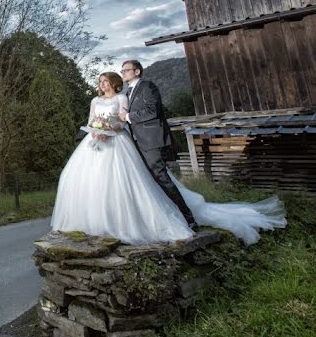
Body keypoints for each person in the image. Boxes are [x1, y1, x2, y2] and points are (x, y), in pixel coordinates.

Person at [51, 70, 286, 246]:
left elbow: (123, 121)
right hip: (95, 141)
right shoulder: (95, 101)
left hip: (116, 141)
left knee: (123, 183)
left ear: (113, 83)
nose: (102, 85)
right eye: (100, 82)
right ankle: (92, 222)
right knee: (86, 180)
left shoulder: (122, 99)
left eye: (105, 81)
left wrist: (111, 129)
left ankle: (126, 222)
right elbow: (92, 119)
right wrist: (95, 130)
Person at [118, 59, 197, 228]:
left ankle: (188, 218)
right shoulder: (127, 93)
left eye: (126, 70)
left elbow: (152, 111)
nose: (123, 73)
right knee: (148, 179)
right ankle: (163, 217)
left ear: (137, 71)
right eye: (122, 71)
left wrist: (128, 117)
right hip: (137, 141)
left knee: (161, 177)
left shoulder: (147, 87)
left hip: (152, 139)